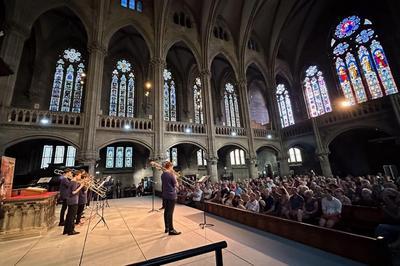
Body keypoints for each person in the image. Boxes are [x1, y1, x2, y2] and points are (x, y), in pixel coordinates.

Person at [161, 161, 181, 235]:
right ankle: (171, 230)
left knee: (166, 212)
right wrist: (176, 177)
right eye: (172, 166)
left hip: (165, 195)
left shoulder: (163, 175)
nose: (173, 168)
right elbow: (177, 185)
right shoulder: (171, 175)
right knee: (170, 213)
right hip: (171, 195)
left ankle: (167, 227)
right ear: (169, 166)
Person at [63, 170, 85, 235]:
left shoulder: (71, 181)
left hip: (70, 200)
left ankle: (66, 230)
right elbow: (73, 192)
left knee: (69, 216)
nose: (80, 177)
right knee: (72, 217)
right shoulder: (74, 182)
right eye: (80, 175)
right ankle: (71, 231)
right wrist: (81, 186)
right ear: (76, 175)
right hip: (73, 201)